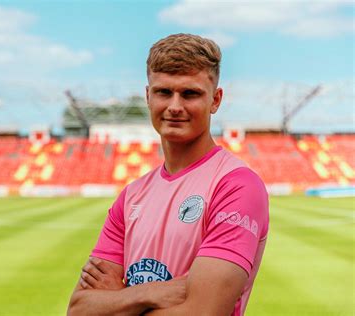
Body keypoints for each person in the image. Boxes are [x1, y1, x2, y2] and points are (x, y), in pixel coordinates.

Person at [67, 33, 269, 316]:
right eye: (164, 92)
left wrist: (119, 300)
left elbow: (203, 312)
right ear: (148, 97)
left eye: (190, 93)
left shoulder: (236, 186)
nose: (175, 106)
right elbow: (79, 310)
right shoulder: (131, 196)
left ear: (216, 99)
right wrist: (151, 293)